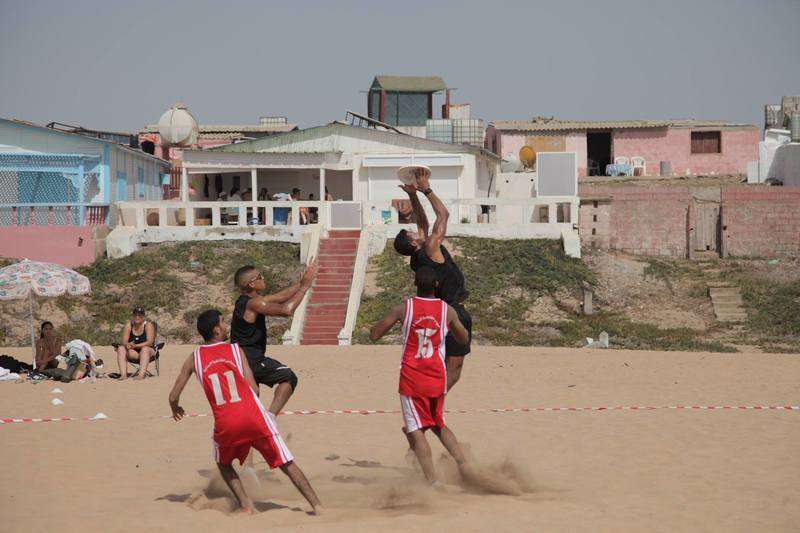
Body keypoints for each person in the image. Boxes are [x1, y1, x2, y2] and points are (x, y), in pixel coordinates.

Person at [169, 310, 322, 515]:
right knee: (287, 463)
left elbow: (173, 395)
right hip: (253, 415)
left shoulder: (193, 358)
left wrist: (175, 408)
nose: (226, 325)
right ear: (216, 330)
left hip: (225, 422)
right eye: (223, 322)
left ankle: (246, 505)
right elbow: (255, 389)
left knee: (223, 464)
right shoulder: (235, 350)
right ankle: (317, 506)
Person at [369, 267, 472, 485]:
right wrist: (452, 328)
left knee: (416, 430)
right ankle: (465, 466)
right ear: (437, 285)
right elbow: (463, 339)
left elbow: (375, 334)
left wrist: (379, 325)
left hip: (413, 378)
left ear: (415, 283)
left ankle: (433, 482)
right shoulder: (447, 310)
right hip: (437, 376)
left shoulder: (404, 308)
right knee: (438, 424)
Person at [393, 168, 473, 391]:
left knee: (445, 365)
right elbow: (443, 215)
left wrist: (412, 195)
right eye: (411, 234)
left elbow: (422, 221)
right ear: (412, 244)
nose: (415, 231)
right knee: (454, 367)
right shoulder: (429, 247)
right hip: (455, 311)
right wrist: (426, 190)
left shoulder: (417, 258)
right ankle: (433, 398)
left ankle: (432, 395)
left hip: (440, 313)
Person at [230, 260, 318, 416]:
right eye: (260, 276)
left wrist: (300, 283)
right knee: (289, 377)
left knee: (252, 400)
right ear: (251, 284)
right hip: (251, 360)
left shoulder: (245, 301)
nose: (263, 278)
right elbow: (286, 310)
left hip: (239, 359)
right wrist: (305, 287)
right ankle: (270, 418)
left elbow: (279, 296)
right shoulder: (254, 304)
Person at [115, 306, 156, 380]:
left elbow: (150, 342)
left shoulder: (148, 325)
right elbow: (124, 341)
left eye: (140, 315)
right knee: (121, 348)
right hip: (134, 352)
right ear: (133, 316)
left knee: (145, 349)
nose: (137, 317)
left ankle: (141, 375)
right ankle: (123, 375)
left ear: (144, 317)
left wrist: (135, 346)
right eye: (135, 315)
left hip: (148, 352)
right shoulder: (129, 325)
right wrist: (127, 344)